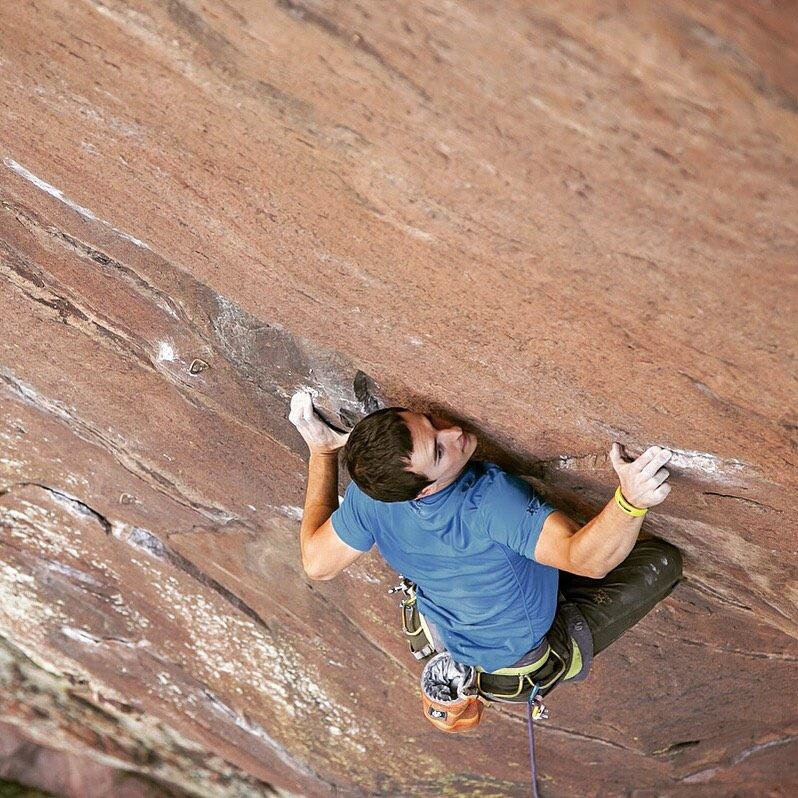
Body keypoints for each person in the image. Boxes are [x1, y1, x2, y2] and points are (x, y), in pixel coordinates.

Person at [288, 391, 683, 697]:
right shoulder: (489, 500)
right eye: (440, 452)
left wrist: (322, 452)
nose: (453, 433)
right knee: (662, 560)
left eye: (429, 421)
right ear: (422, 492)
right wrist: (630, 501)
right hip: (519, 658)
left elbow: (317, 563)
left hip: (440, 630)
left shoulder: (374, 492)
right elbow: (587, 560)